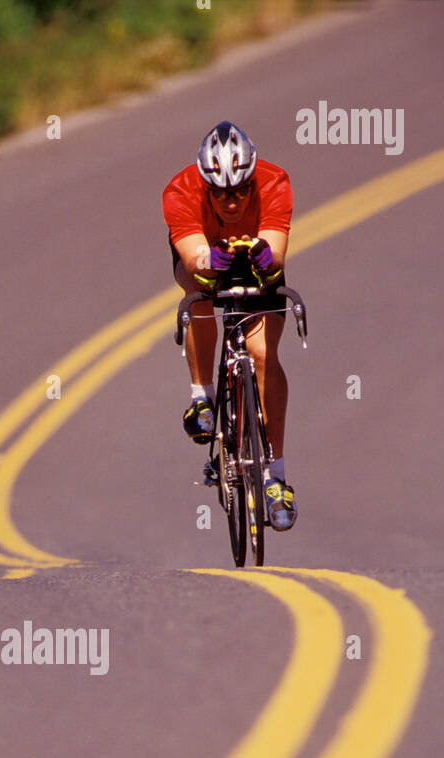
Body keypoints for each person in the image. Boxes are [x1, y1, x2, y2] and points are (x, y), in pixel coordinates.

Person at [163, 121, 297, 530]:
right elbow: (192, 258)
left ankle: (276, 477)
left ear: (253, 181)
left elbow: (276, 253)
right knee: (198, 293)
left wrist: (263, 255)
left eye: (240, 191)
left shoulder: (274, 181)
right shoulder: (180, 190)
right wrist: (209, 261)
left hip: (258, 269)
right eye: (219, 193)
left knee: (261, 355)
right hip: (207, 261)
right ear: (205, 184)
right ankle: (202, 397)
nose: (231, 202)